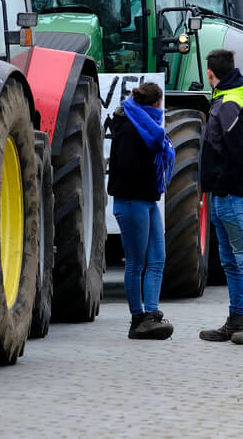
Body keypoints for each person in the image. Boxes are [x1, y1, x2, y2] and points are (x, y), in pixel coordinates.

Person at [198, 49, 243, 345]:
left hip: (232, 195)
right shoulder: (224, 100)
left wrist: (222, 186)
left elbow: (237, 153)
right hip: (222, 195)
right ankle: (236, 319)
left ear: (211, 73)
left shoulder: (230, 104)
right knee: (230, 260)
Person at [107, 81, 176, 339]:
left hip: (148, 199)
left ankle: (152, 314)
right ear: (155, 104)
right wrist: (153, 162)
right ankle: (137, 320)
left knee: (157, 258)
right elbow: (126, 166)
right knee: (136, 263)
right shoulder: (129, 128)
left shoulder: (148, 127)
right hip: (131, 200)